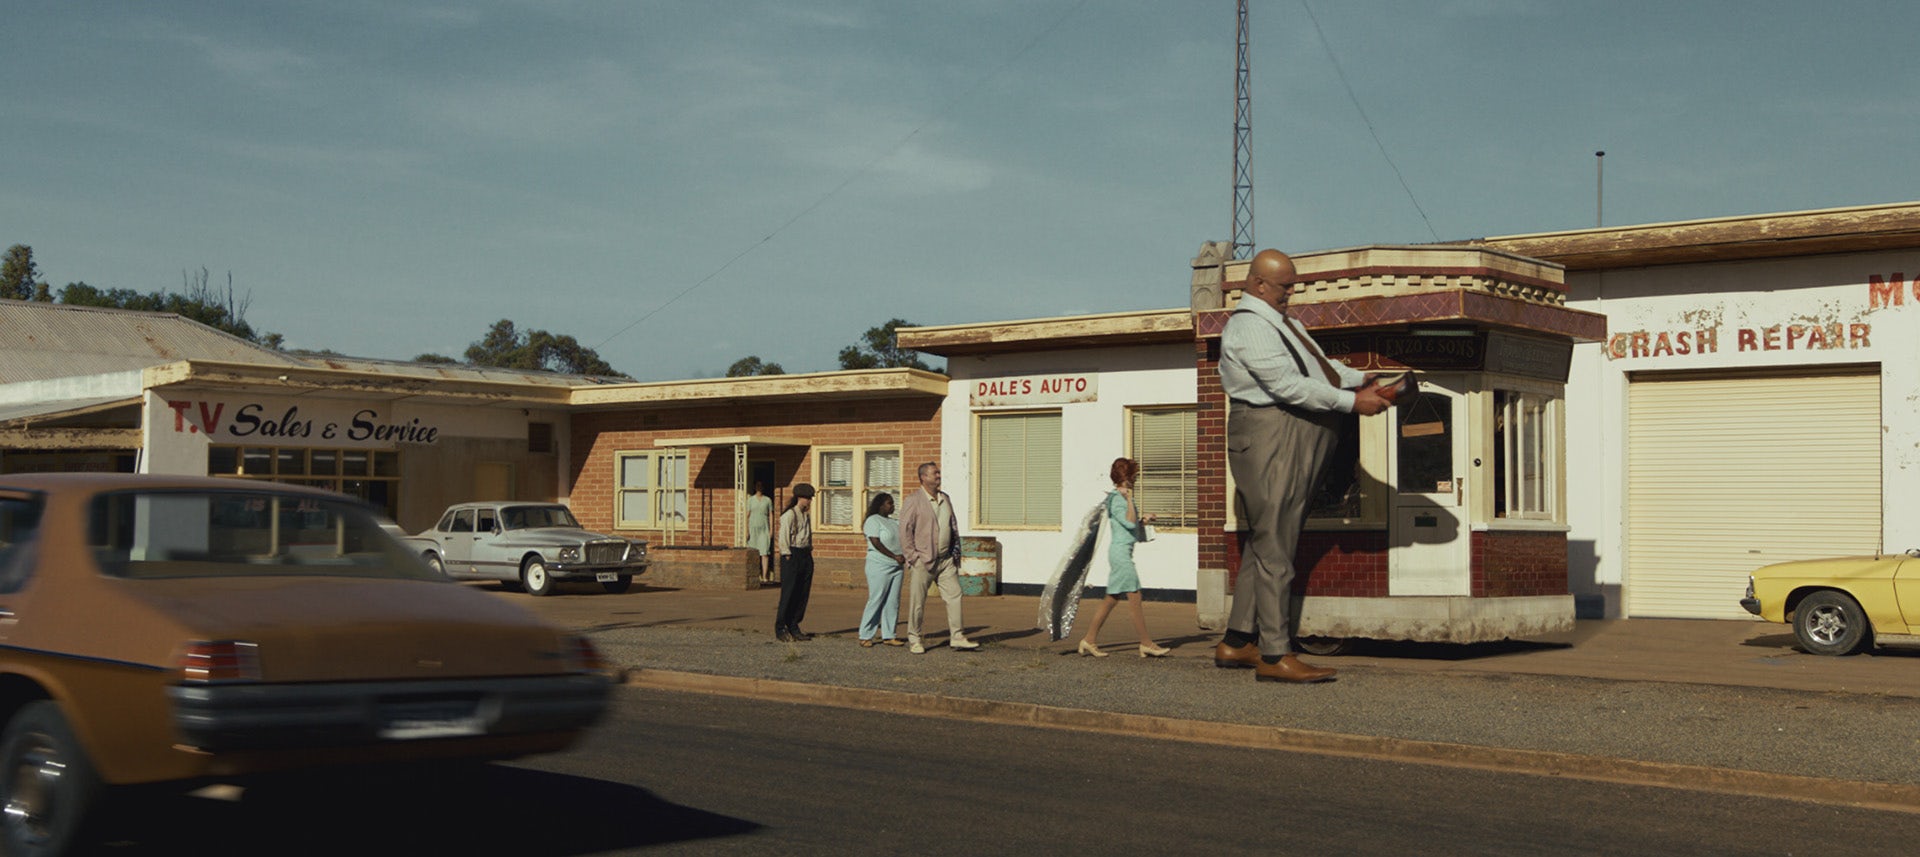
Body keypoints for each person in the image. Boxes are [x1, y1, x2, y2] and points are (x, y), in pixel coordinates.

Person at [1215, 248, 1390, 683]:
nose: (1293, 292)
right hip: (1269, 433)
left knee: (1265, 541)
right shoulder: (1249, 326)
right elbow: (1286, 384)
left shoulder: (1283, 324)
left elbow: (1316, 368)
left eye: (1293, 284)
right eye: (1286, 285)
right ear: (1258, 284)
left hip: (1287, 432)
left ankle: (1237, 642)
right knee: (1276, 545)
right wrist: (1352, 402)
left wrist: (1358, 379)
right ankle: (1275, 655)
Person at [1076, 458, 1170, 658]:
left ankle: (1089, 640)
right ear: (1124, 477)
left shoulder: (1121, 499)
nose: (1135, 480)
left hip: (1123, 552)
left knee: (1111, 599)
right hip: (1120, 555)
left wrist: (1143, 520)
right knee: (1135, 595)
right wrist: (1128, 501)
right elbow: (1128, 523)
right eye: (1133, 476)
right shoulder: (1117, 499)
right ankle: (1146, 643)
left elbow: (1132, 525)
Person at [899, 461, 978, 654]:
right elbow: (904, 530)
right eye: (934, 473)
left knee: (955, 595)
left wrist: (954, 552)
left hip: (945, 559)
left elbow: (952, 525)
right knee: (918, 602)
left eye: (939, 473)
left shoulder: (945, 498)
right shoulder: (913, 500)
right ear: (923, 477)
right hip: (923, 560)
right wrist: (913, 557)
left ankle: (957, 636)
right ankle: (915, 638)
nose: (938, 476)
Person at [858, 492, 907, 648]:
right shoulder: (873, 521)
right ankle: (865, 634)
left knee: (893, 602)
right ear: (880, 505)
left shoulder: (894, 522)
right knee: (877, 598)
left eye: (892, 503)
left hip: (897, 567)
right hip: (879, 565)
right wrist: (893, 556)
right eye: (889, 503)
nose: (892, 506)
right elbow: (875, 542)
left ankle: (889, 635)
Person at [774, 483, 816, 642]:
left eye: (810, 498)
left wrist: (809, 550)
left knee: (802, 593)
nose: (809, 501)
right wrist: (787, 554)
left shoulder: (806, 515)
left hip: (805, 554)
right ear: (800, 497)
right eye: (807, 498)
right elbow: (783, 536)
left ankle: (794, 625)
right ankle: (780, 627)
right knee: (789, 593)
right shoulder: (790, 515)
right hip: (792, 554)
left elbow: (807, 535)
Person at [746, 481, 774, 584]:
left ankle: (765, 576)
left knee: (764, 553)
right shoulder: (750, 500)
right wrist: (747, 530)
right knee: (753, 553)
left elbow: (771, 515)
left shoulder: (767, 500)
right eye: (757, 486)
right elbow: (747, 515)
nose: (759, 488)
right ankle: (754, 576)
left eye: (761, 486)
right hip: (753, 528)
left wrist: (771, 529)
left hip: (764, 529)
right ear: (754, 487)